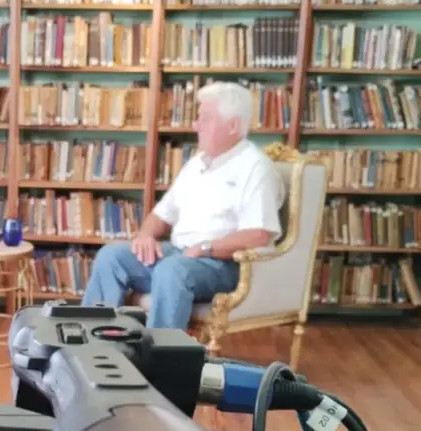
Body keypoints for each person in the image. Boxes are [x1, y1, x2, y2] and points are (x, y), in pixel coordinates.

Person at [81, 81, 285, 329]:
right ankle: (91, 339)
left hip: (224, 264)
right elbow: (162, 214)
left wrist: (207, 248)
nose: (196, 125)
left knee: (172, 270)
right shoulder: (197, 163)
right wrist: (145, 235)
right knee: (111, 257)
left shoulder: (256, 167)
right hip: (180, 254)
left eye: (205, 118)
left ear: (232, 125)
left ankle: (159, 351)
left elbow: (259, 234)